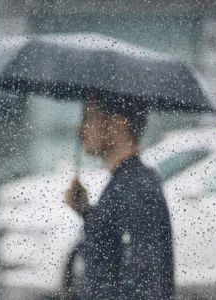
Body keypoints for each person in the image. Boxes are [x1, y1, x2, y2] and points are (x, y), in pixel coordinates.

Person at [65, 95, 175, 299]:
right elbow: (111, 247)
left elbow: (146, 279)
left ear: (117, 124)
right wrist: (85, 210)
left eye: (89, 118)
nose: (80, 130)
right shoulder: (125, 183)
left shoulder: (136, 188)